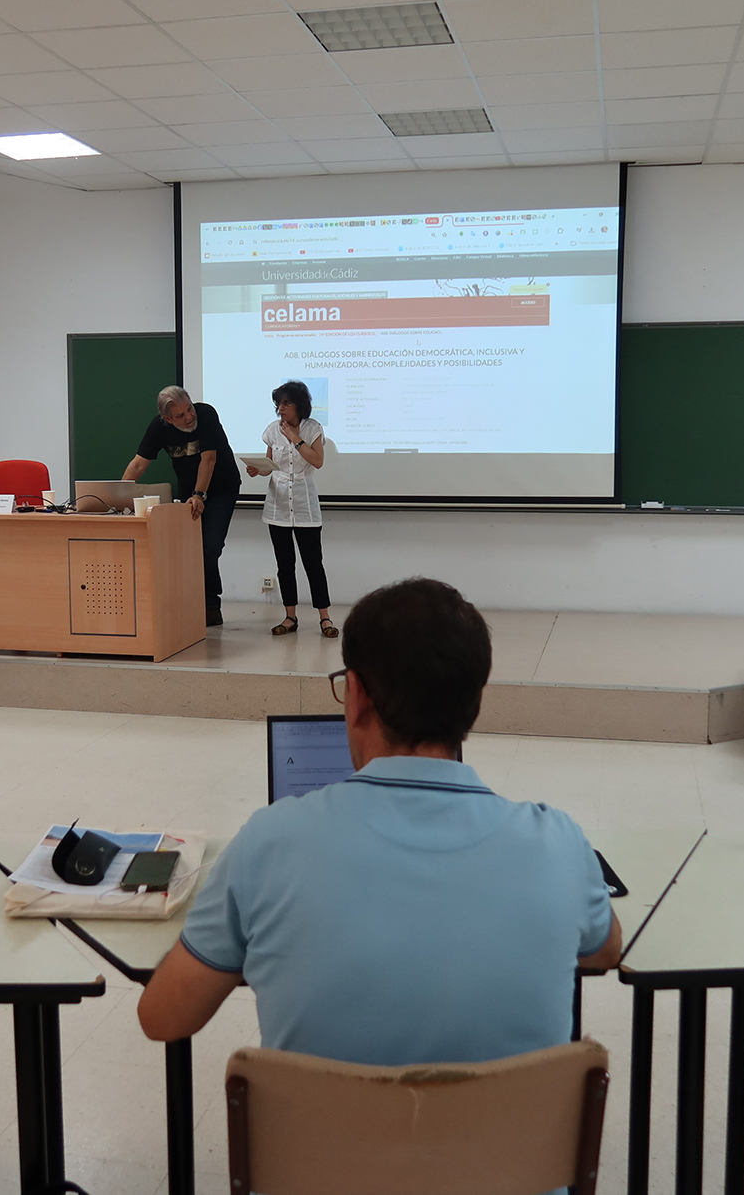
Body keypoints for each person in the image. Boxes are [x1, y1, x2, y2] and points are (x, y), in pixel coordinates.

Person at [137, 577, 621, 1065]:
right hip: (514, 1119)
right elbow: (606, 950)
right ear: (474, 701)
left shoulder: (267, 845)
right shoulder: (558, 845)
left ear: (356, 695)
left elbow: (162, 1018)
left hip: (320, 1120)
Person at [122, 387, 240, 627]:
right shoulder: (158, 428)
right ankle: (207, 608)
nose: (189, 417)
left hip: (221, 488)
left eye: (189, 409)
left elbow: (209, 459)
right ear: (168, 419)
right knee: (193, 548)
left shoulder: (206, 414)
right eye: (180, 415)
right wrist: (118, 495)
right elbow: (138, 464)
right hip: (190, 493)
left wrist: (199, 495)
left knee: (210, 546)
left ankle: (199, 603)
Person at [244, 380, 334, 638]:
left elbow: (317, 461)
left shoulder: (312, 428)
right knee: (285, 565)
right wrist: (258, 470)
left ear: (299, 405)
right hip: (278, 505)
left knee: (313, 564)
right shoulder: (272, 430)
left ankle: (325, 618)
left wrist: (295, 439)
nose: (281, 408)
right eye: (279, 404)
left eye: (287, 403)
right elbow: (270, 464)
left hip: (305, 506)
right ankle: (290, 616)